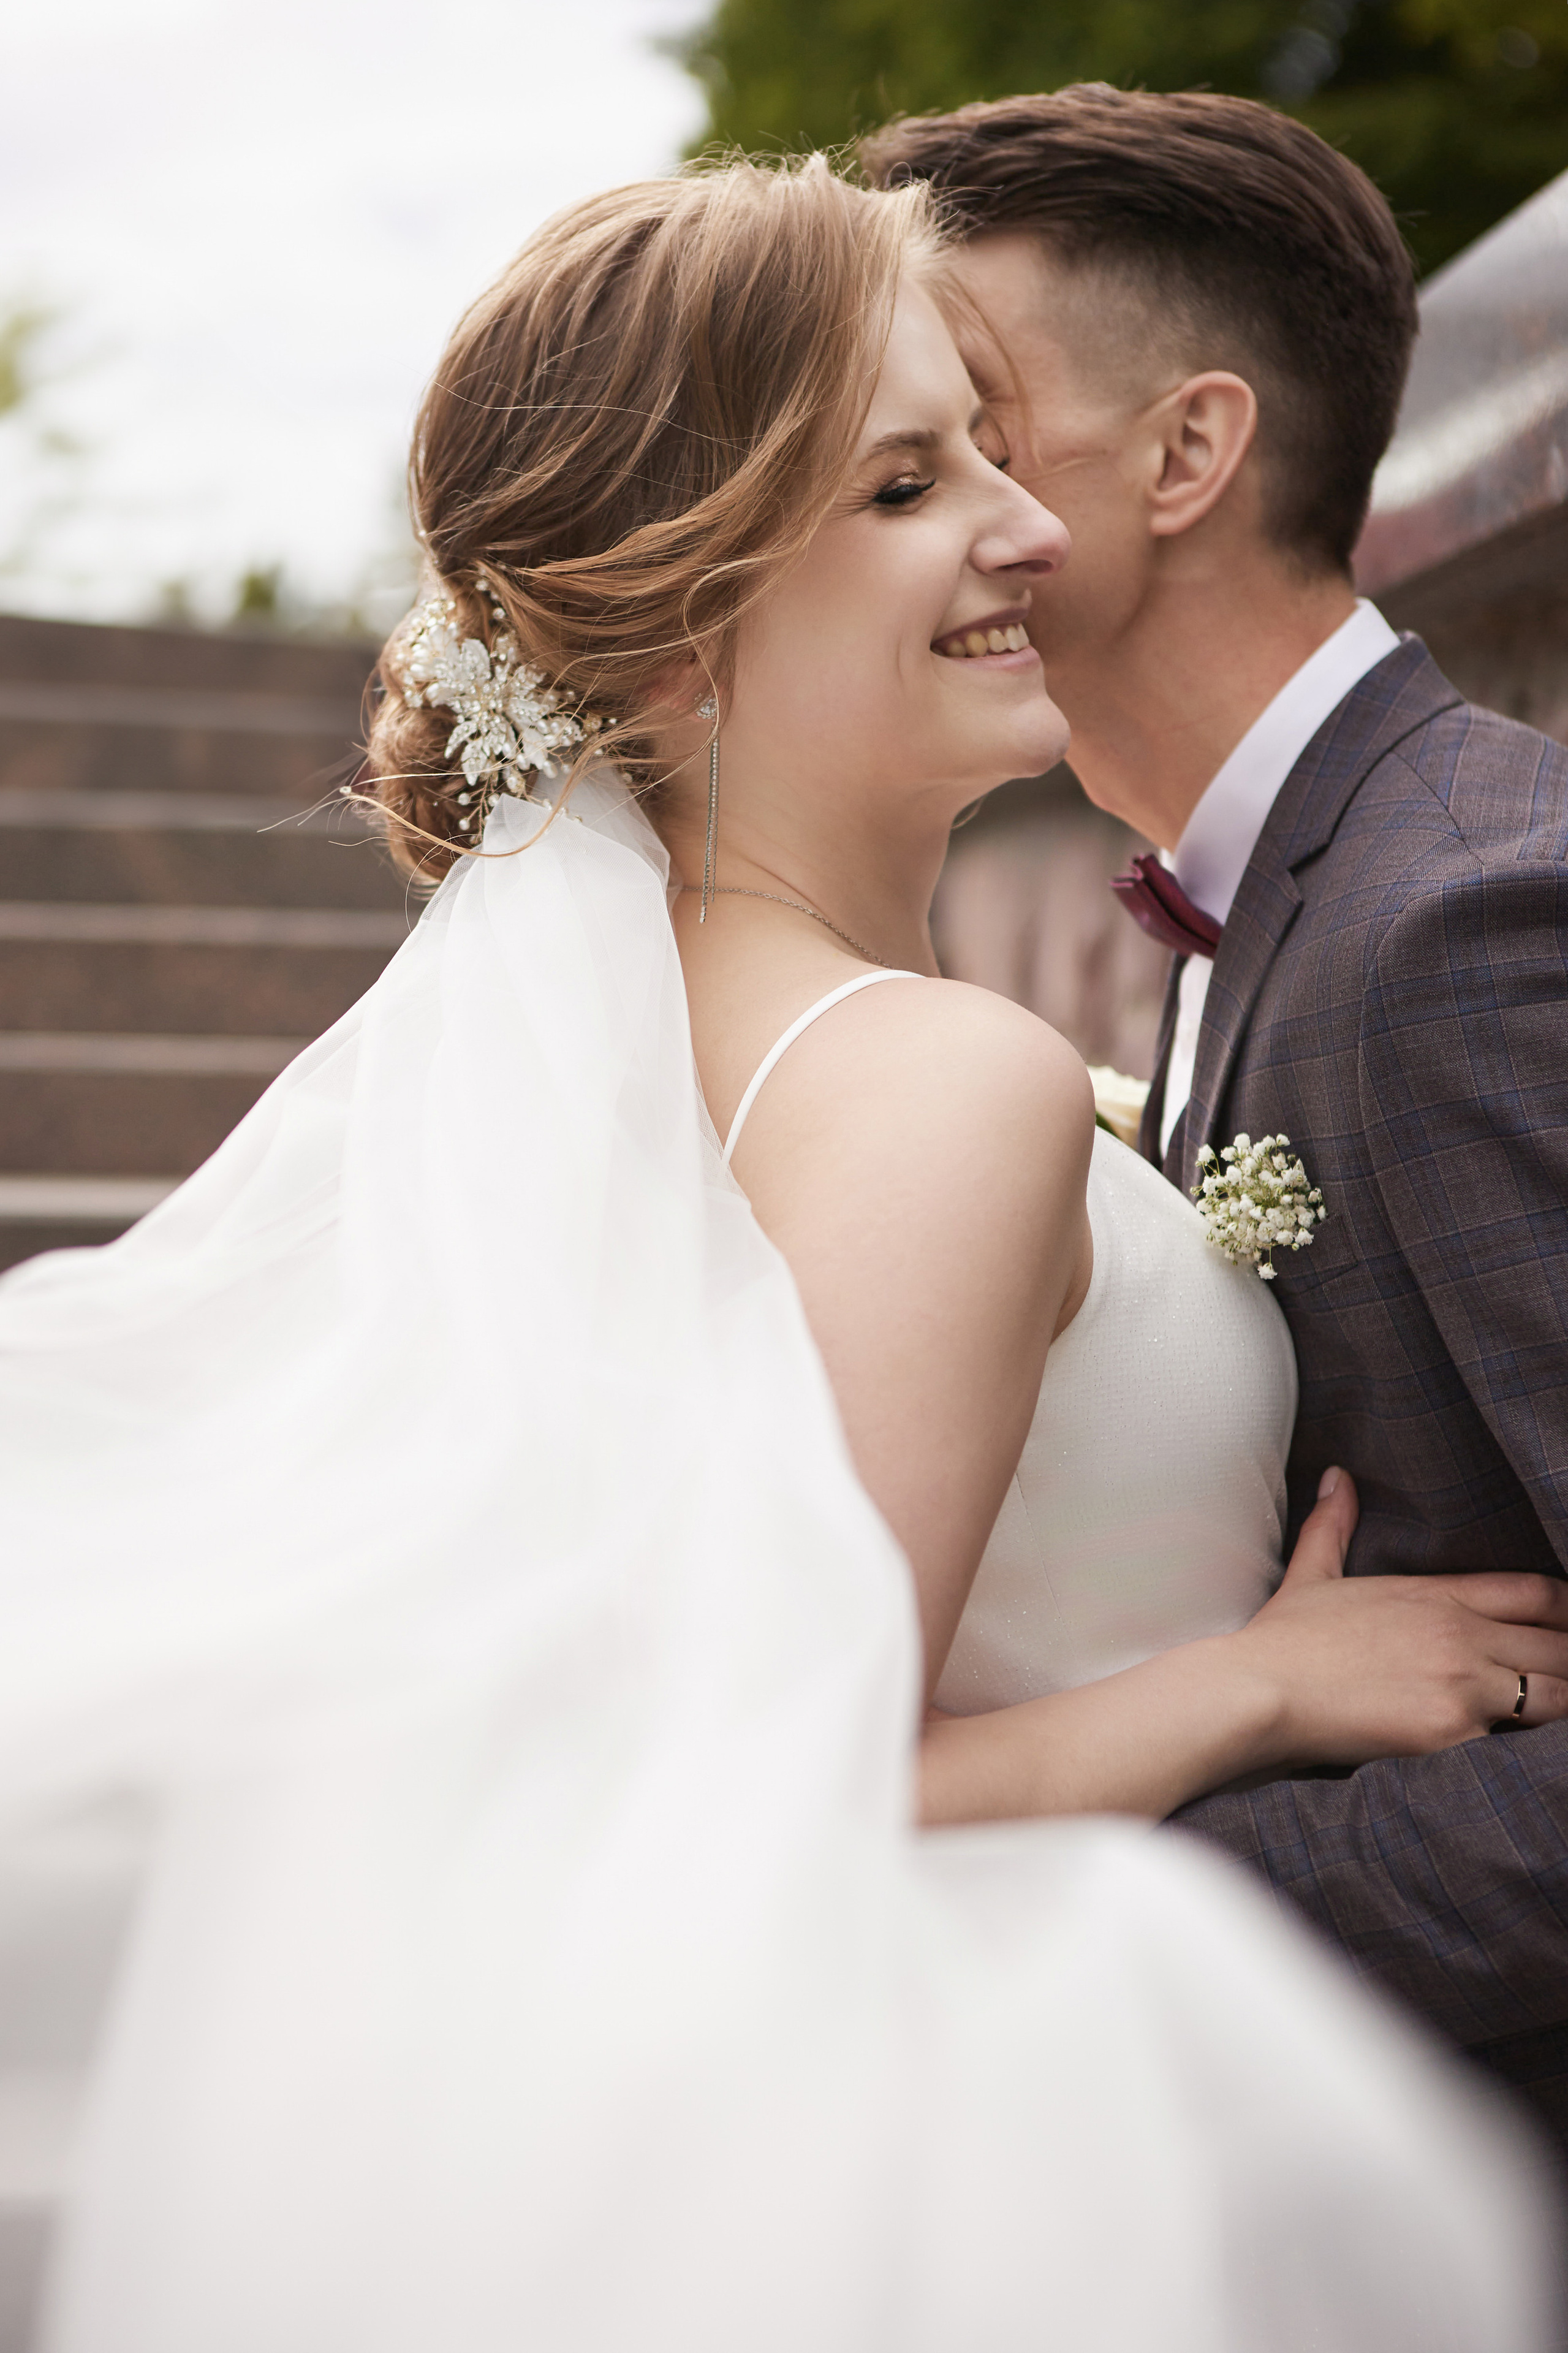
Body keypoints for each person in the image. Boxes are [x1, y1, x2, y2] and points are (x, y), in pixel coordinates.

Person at [0, 159, 1555, 2347]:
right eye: (906, 485)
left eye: (997, 453)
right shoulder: (934, 1088)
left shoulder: (647, 1065)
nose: (1020, 529)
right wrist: (1256, 1684)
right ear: (664, 611)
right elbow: (773, 1803)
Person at [863, 85, 1568, 2141]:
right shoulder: (1253, 903)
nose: (933, 494)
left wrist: (1111, 1916)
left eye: (970, 420)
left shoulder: (1474, 919)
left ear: (1188, 450)